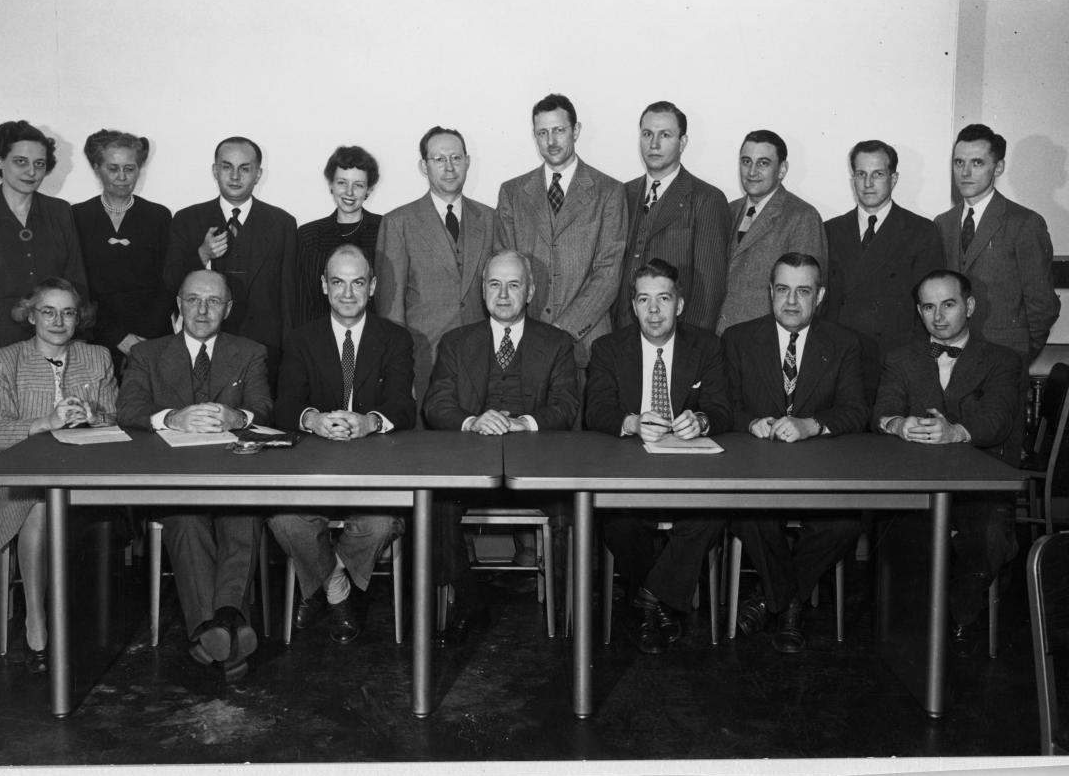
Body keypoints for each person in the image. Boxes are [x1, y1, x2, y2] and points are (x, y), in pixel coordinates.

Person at [117, 270, 273, 679]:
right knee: (186, 522)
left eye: (214, 301)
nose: (203, 310)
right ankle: (225, 630)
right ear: (180, 304)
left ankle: (215, 627)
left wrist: (237, 415)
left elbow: (265, 409)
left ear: (228, 308)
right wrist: (173, 417)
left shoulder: (250, 351)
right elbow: (127, 409)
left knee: (242, 517)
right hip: (175, 480)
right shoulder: (148, 354)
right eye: (193, 300)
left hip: (235, 477)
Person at [423, 250, 580, 642]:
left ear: (529, 292)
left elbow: (566, 406)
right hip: (472, 471)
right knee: (434, 507)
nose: (504, 294)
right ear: (482, 290)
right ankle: (471, 597)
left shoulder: (558, 343)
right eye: (495, 284)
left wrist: (522, 423)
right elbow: (436, 404)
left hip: (538, 469)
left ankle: (564, 619)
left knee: (571, 508)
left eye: (514, 285)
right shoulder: (457, 342)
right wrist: (472, 421)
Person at [269, 245, 416, 644]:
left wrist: (370, 421)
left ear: (372, 287)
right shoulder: (301, 339)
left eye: (357, 283)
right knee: (285, 520)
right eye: (338, 282)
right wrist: (314, 420)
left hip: (375, 468)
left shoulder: (396, 338)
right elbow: (283, 406)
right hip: (314, 466)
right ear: (323, 286)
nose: (347, 293)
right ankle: (337, 588)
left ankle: (319, 585)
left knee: (381, 523)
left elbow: (404, 405)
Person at [721, 253, 868, 653]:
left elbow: (856, 410)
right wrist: (750, 422)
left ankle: (772, 599)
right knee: (748, 513)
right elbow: (722, 406)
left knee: (844, 523)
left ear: (819, 296)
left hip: (819, 472)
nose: (791, 301)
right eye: (782, 289)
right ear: (769, 292)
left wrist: (812, 424)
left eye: (803, 291)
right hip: (756, 472)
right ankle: (791, 606)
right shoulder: (737, 338)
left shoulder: (843, 343)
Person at [873, 269, 1022, 656]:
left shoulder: (1002, 361)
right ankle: (914, 629)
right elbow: (882, 413)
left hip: (978, 486)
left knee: (989, 536)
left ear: (969, 306)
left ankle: (957, 617)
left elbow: (998, 421)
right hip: (914, 485)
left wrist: (955, 432)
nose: (938, 316)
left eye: (949, 304)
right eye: (928, 307)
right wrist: (899, 424)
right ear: (919, 313)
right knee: (898, 536)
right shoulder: (900, 359)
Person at [587, 259, 731, 654]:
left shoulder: (707, 346)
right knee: (616, 519)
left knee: (711, 513)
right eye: (644, 300)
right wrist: (631, 422)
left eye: (663, 299)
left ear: (679, 305)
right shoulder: (608, 349)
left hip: (689, 470)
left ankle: (649, 599)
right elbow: (595, 410)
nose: (654, 311)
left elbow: (722, 409)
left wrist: (701, 421)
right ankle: (664, 602)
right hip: (630, 469)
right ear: (633, 306)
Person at [0, 278, 115, 674]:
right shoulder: (2, 361)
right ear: (30, 315)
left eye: (68, 312)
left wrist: (91, 416)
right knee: (39, 505)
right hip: (16, 475)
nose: (58, 320)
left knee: (53, 501)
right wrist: (47, 422)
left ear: (79, 318)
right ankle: (35, 619)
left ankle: (63, 617)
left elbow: (115, 417)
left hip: (84, 474)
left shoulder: (97, 357)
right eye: (48, 311)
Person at [0, 119, 87, 487]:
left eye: (39, 164)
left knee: (53, 445)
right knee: (1, 450)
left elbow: (76, 284)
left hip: (51, 343)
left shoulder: (59, 213)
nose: (31, 171)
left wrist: (69, 350)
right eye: (20, 161)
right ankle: (9, 535)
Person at [492, 92, 626, 387]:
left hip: (588, 344)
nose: (551, 141)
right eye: (543, 132)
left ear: (576, 131)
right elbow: (505, 271)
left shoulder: (609, 192)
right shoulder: (512, 193)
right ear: (534, 136)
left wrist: (561, 332)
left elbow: (608, 273)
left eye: (559, 130)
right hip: (525, 343)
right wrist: (535, 334)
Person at [162, 136, 298, 389]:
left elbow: (288, 297)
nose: (235, 176)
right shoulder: (187, 219)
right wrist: (201, 255)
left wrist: (288, 355)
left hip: (265, 348)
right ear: (215, 170)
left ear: (258, 174)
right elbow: (170, 283)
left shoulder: (282, 223)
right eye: (227, 167)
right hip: (201, 344)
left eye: (245, 168)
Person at [375, 126, 496, 408]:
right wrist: (400, 373)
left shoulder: (490, 218)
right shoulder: (398, 223)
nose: (449, 167)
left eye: (456, 158)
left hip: (482, 361)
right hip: (424, 362)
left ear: (467, 162)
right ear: (423, 166)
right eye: (439, 159)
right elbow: (390, 309)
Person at [823, 139, 945, 403]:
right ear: (852, 178)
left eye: (877, 174)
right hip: (840, 363)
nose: (868, 183)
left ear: (894, 178)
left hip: (892, 365)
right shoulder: (830, 230)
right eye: (860, 174)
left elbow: (928, 312)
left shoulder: (921, 232)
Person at [934, 123, 1060, 367]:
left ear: (998, 167)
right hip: (953, 360)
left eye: (977, 163)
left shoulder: (1025, 223)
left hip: (1004, 359)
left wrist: (1019, 355)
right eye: (959, 163)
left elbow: (1043, 305)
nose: (965, 172)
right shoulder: (943, 223)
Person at [611, 100, 729, 332]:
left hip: (678, 337)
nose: (654, 144)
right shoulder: (623, 193)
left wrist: (691, 346)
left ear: (682, 142)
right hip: (622, 336)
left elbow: (710, 287)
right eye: (647, 134)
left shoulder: (707, 198)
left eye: (665, 135)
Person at [71, 129, 174, 378]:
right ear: (97, 168)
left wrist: (144, 342)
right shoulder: (76, 216)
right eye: (113, 168)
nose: (122, 177)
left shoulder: (158, 216)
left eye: (130, 168)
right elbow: (77, 286)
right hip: (94, 338)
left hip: (151, 340)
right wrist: (117, 336)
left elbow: (169, 281)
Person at [716, 129, 827, 334]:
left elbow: (806, 298)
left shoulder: (802, 216)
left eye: (763, 163)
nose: (752, 171)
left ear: (782, 169)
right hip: (719, 339)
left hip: (764, 342)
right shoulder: (727, 210)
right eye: (746, 161)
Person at [296, 145, 383, 327]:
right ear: (331, 185)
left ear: (369, 190)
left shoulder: (385, 230)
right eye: (342, 183)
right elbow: (302, 302)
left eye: (358, 185)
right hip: (320, 340)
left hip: (373, 339)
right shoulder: (308, 237)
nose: (349, 192)